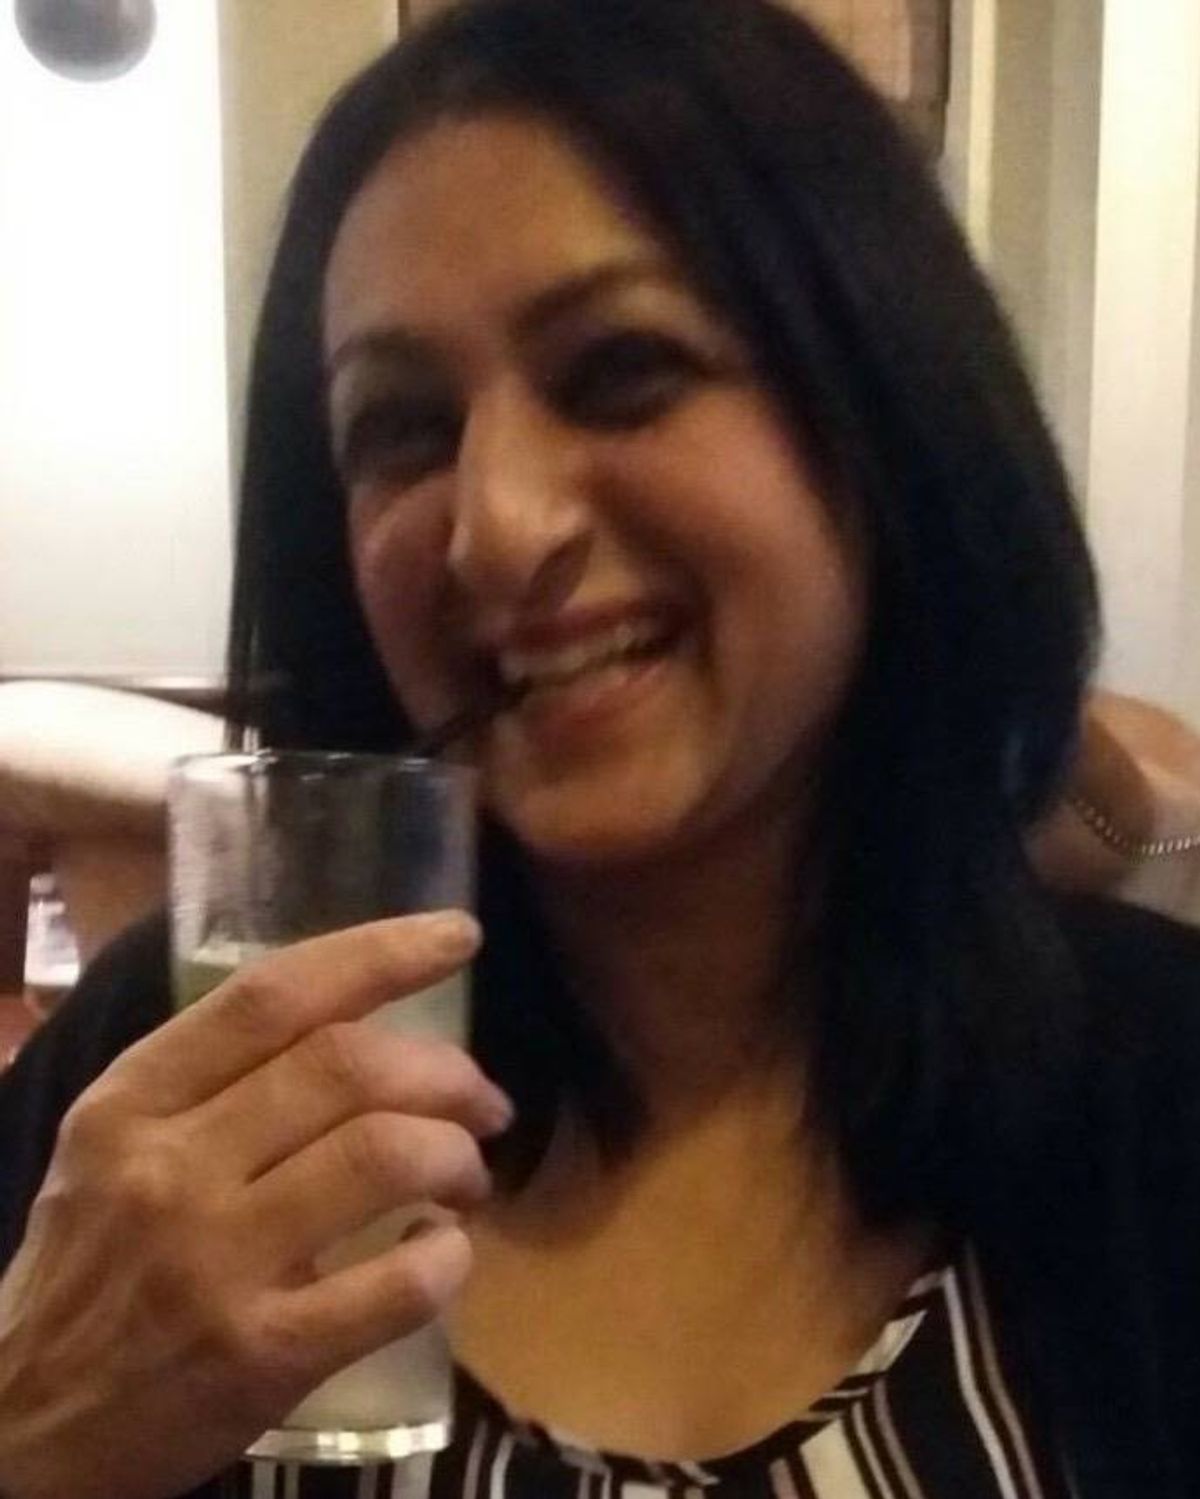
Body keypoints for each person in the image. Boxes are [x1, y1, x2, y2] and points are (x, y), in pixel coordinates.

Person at [2, 1, 1199, 1495]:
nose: (497, 528)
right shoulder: (184, 1082)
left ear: (883, 411)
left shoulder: (1153, 1091)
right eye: (402, 428)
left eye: (623, 372)